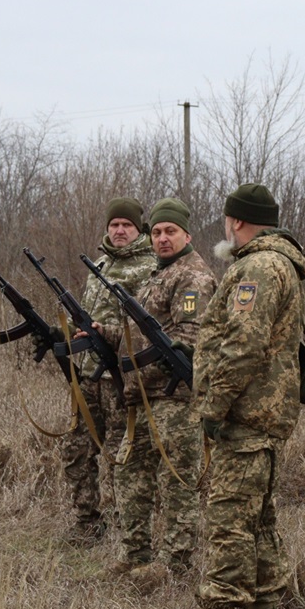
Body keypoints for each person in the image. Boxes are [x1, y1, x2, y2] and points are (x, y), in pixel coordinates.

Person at [192, 183, 305, 609]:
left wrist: (214, 406)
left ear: (236, 220)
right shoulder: (280, 263)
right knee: (258, 516)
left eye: (227, 218)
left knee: (229, 517)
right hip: (264, 413)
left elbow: (243, 344)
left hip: (246, 414)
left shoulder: (258, 267)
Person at [102, 198, 216, 574]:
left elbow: (189, 336)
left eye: (170, 231)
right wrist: (104, 333)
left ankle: (174, 565)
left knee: (176, 481)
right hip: (144, 396)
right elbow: (142, 337)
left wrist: (153, 364)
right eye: (156, 232)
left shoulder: (192, 277)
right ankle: (134, 555)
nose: (162, 238)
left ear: (187, 235)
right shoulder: (159, 273)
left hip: (174, 398)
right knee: (129, 473)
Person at [59, 197, 156, 542]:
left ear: (138, 230)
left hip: (121, 377)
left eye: (126, 225)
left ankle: (124, 529)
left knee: (120, 455)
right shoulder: (99, 264)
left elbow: (151, 327)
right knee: (76, 450)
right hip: (89, 375)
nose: (119, 230)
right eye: (114, 224)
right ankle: (87, 522)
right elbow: (86, 317)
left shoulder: (150, 268)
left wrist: (111, 338)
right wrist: (64, 331)